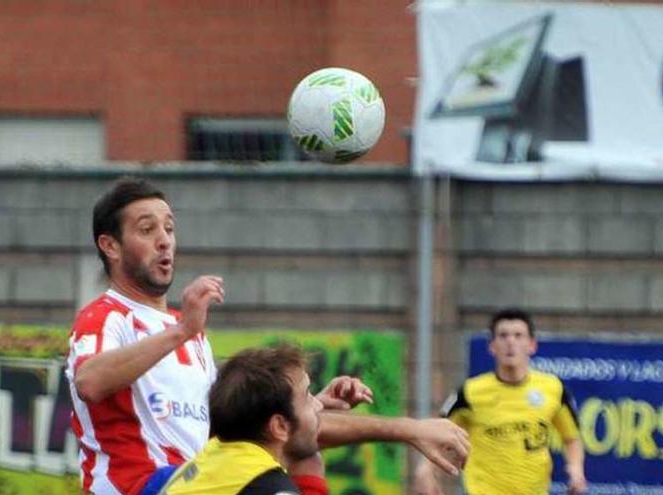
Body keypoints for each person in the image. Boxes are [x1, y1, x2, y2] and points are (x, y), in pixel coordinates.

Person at [66, 177, 470, 495]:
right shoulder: (107, 316)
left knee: (303, 450)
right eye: (147, 228)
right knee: (271, 475)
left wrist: (305, 406)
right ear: (110, 246)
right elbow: (90, 382)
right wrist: (183, 330)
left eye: (169, 227)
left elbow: (239, 434)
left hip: (200, 481)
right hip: (142, 488)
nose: (164, 239)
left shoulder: (188, 334)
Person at [413, 308, 587, 495]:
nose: (510, 342)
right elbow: (437, 433)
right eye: (503, 336)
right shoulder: (470, 392)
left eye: (518, 336)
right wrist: (425, 470)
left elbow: (571, 438)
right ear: (492, 346)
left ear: (532, 345)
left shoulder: (553, 389)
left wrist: (576, 470)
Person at [159, 343, 329, 495]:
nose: (318, 405)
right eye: (307, 396)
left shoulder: (204, 461)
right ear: (279, 426)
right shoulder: (268, 485)